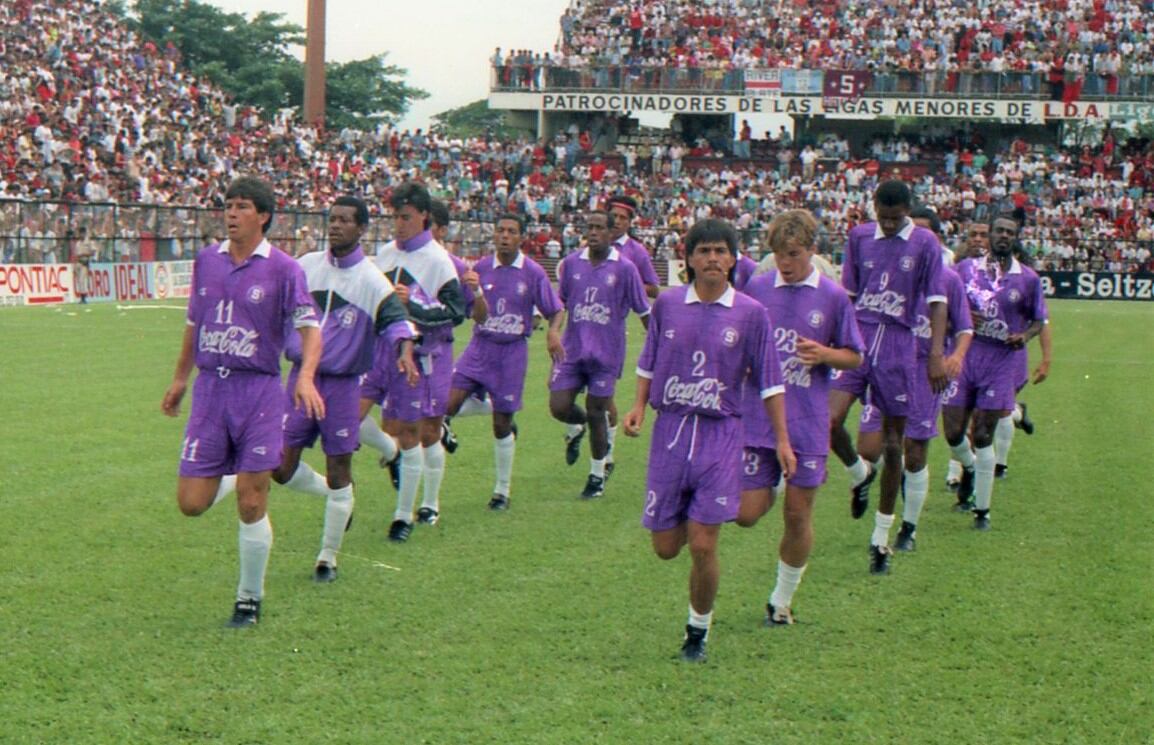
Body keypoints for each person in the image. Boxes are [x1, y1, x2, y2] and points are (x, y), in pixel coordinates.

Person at [210, 196, 419, 582]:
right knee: (279, 465)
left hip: (341, 386)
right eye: (332, 218)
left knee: (340, 467)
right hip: (298, 382)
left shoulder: (371, 280)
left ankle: (328, 557)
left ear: (362, 229)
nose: (335, 225)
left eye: (344, 221)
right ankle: (333, 495)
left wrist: (405, 349)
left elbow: (395, 320)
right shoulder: (305, 267)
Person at [622, 218, 796, 663]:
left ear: (734, 258)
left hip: (721, 436)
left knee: (703, 544)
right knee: (665, 548)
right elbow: (648, 360)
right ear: (690, 259)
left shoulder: (751, 313)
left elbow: (771, 383)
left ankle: (697, 631)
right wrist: (640, 407)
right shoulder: (668, 305)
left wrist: (781, 440)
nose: (713, 259)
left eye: (721, 251)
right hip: (671, 434)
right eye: (704, 251)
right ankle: (686, 513)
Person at [160, 176, 324, 628]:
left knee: (253, 503)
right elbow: (194, 324)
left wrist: (306, 377)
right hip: (212, 392)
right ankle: (233, 478)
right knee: (191, 503)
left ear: (263, 216)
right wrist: (180, 379)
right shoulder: (206, 263)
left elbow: (311, 329)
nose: (232, 214)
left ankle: (248, 598)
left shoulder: (285, 270)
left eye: (242, 206)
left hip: (259, 392)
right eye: (228, 205)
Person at [736, 210, 863, 625]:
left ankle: (781, 600)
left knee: (798, 515)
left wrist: (826, 355)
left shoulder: (832, 297)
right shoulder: (757, 288)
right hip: (758, 420)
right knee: (746, 513)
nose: (785, 264)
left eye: (793, 254)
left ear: (812, 249)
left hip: (807, 422)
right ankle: (770, 482)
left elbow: (854, 354)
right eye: (778, 254)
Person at [828, 180, 948, 575]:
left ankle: (881, 539)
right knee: (828, 421)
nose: (891, 224)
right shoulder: (859, 236)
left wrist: (934, 355)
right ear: (874, 207)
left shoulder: (926, 242)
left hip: (899, 348)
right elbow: (847, 296)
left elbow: (937, 301)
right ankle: (858, 472)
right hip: (859, 341)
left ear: (908, 212)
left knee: (895, 444)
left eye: (898, 218)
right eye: (885, 216)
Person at [854, 207, 972, 552]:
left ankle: (908, 528)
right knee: (868, 449)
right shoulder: (887, 270)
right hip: (886, 364)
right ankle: (865, 482)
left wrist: (954, 357)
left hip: (923, 372)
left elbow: (964, 328)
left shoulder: (949, 280)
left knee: (915, 452)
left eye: (925, 234)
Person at [445, 213, 564, 510]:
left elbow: (556, 309)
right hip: (480, 347)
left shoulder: (533, 273)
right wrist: (473, 291)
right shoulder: (481, 268)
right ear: (494, 235)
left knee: (501, 424)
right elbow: (476, 314)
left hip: (511, 353)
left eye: (512, 231)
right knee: (446, 403)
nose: (505, 236)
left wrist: (552, 332)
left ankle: (502, 491)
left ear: (521, 237)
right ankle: (450, 428)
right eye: (501, 231)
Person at [372, 183, 467, 542]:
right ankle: (397, 462)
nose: (398, 224)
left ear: (424, 217)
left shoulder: (438, 260)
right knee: (387, 429)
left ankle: (420, 507)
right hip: (387, 353)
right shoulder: (385, 254)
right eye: (395, 217)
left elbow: (455, 312)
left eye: (405, 217)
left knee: (423, 433)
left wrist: (412, 302)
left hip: (428, 356)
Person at [942, 210, 1047, 530]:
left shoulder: (1027, 278)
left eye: (1009, 232)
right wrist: (961, 317)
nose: (1003, 236)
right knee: (952, 433)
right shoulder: (964, 270)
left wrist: (1024, 336)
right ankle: (970, 468)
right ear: (989, 234)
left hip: (999, 361)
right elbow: (942, 307)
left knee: (984, 434)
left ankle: (982, 511)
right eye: (998, 231)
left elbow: (1038, 320)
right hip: (964, 355)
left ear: (1015, 239)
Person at [549, 209, 650, 500]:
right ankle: (578, 427)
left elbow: (644, 311)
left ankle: (596, 476)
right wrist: (554, 330)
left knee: (597, 411)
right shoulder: (570, 264)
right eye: (589, 227)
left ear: (610, 233)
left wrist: (660, 345)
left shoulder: (625, 268)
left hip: (606, 354)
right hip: (572, 349)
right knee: (558, 406)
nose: (593, 232)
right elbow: (561, 304)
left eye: (599, 227)